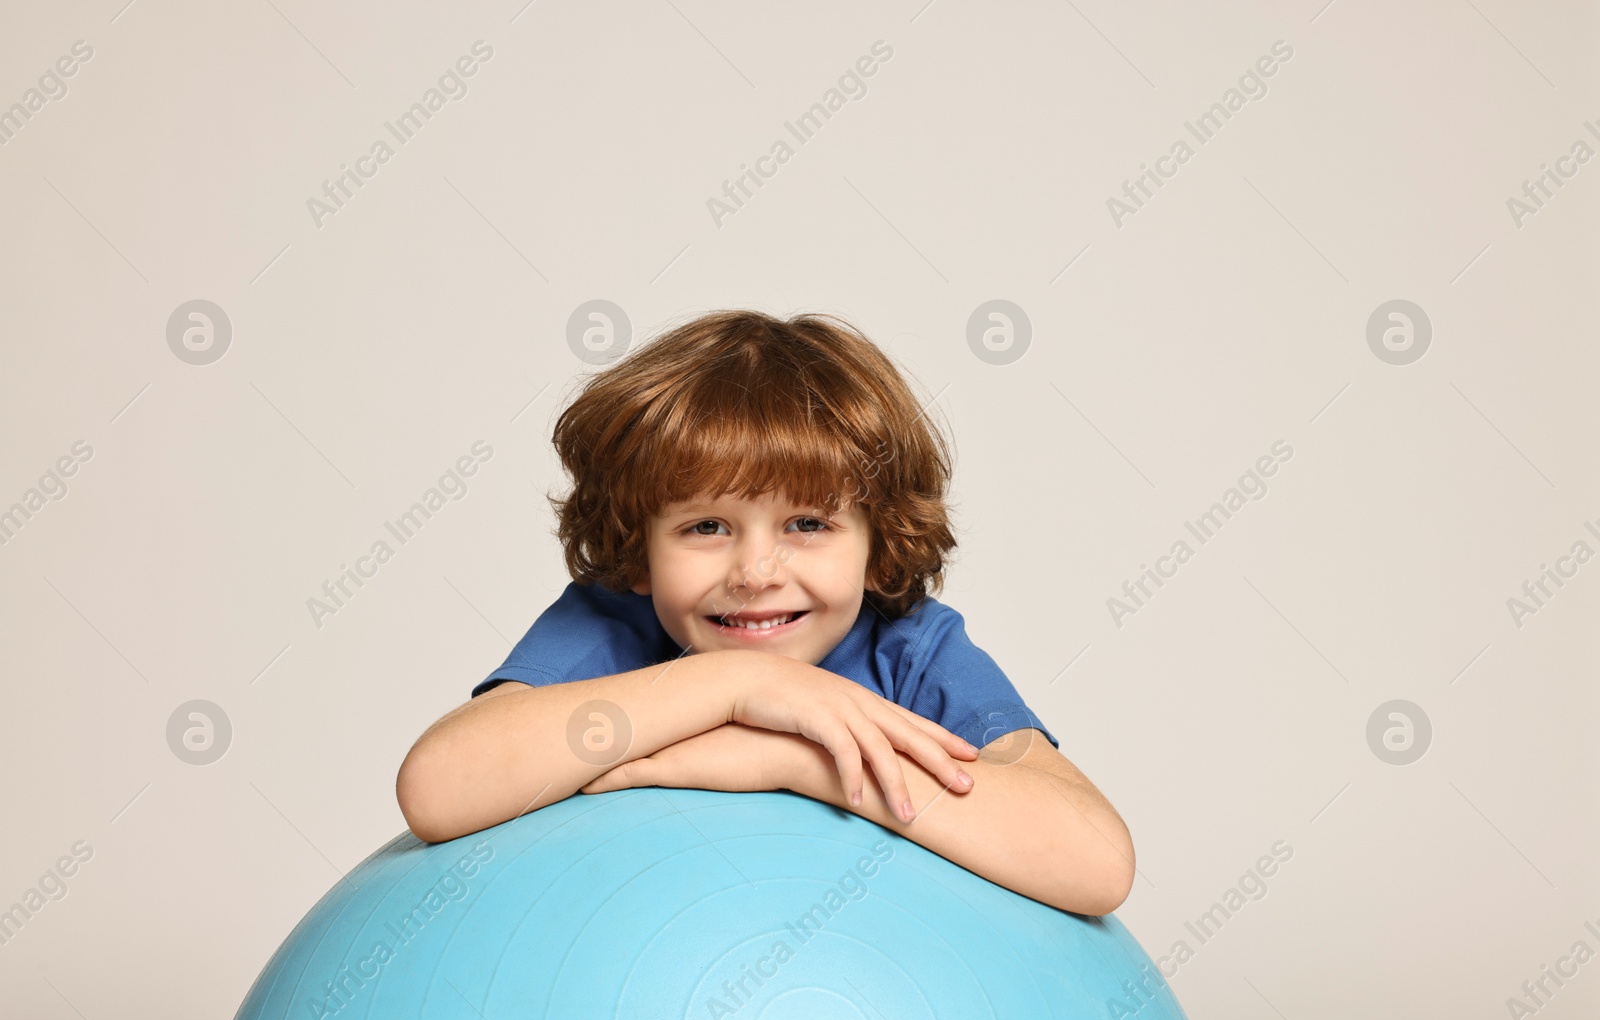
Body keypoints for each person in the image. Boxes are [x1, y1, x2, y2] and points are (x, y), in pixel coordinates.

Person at [395, 309, 1135, 915]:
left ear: (878, 542)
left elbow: (1097, 862)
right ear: (639, 550)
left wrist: (795, 760)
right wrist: (738, 687)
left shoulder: (910, 652)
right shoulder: (612, 626)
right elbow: (436, 788)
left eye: (807, 524)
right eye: (705, 527)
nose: (754, 572)